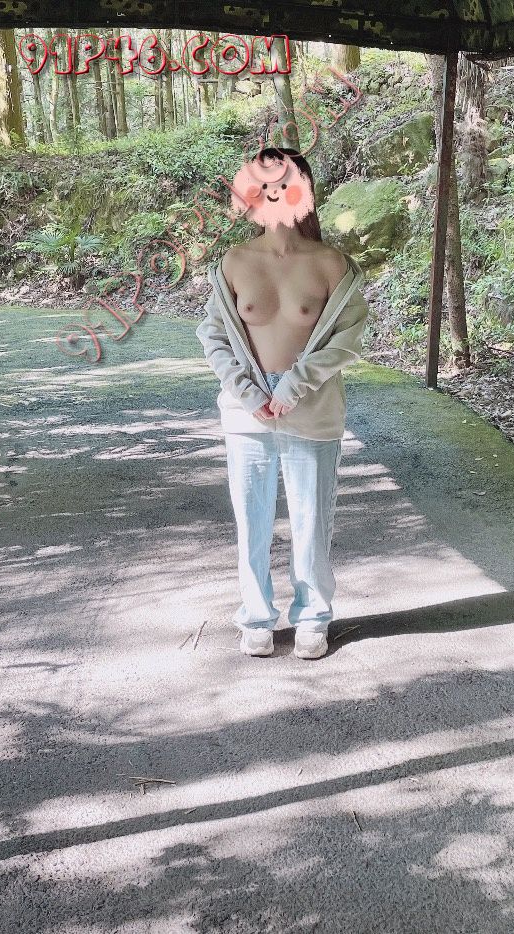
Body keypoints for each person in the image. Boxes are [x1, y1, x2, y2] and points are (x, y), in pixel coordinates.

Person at [195, 147, 370, 660]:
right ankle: (255, 616)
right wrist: (249, 392)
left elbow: (347, 340)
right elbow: (214, 336)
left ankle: (313, 615)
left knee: (312, 521)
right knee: (250, 522)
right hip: (246, 411)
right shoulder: (234, 262)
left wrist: (292, 386)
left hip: (311, 408)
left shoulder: (332, 264)